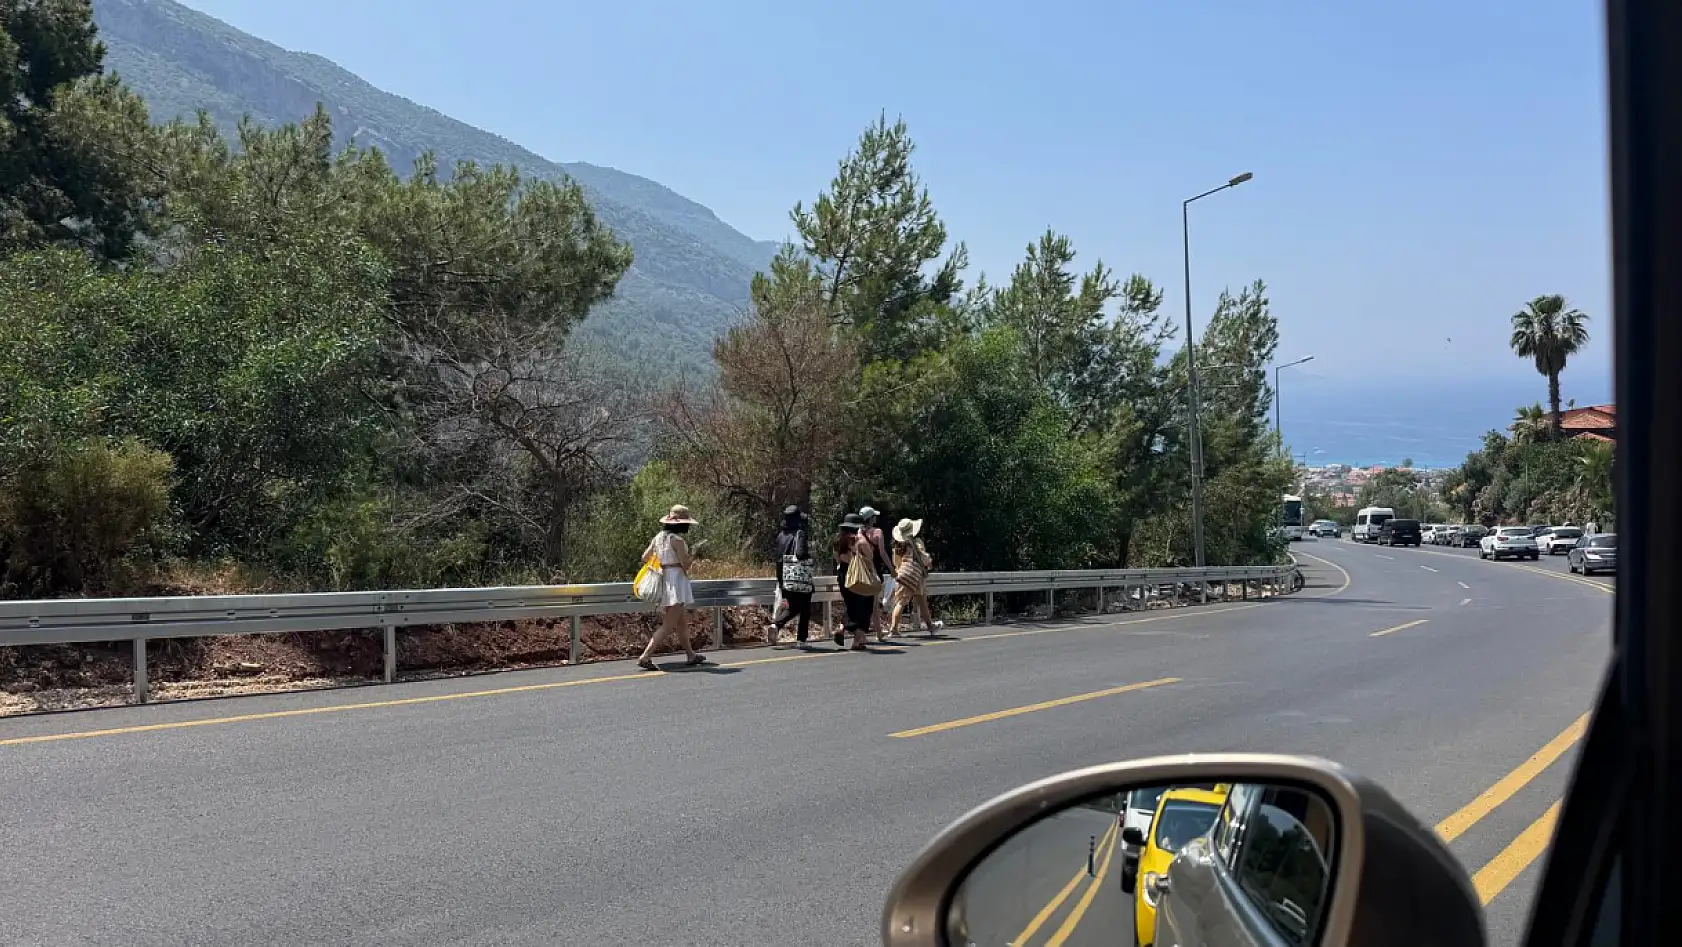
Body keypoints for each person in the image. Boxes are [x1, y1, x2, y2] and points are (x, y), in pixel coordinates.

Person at [636, 505, 707, 671]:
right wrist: (695, 553)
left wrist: (662, 559)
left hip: (665, 579)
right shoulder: (678, 541)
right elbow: (686, 565)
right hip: (677, 581)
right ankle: (645, 656)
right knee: (668, 625)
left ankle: (691, 655)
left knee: (681, 622)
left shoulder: (659, 537)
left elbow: (645, 557)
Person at [887, 517, 943, 636]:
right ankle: (930, 626)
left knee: (901, 601)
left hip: (903, 574)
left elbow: (896, 563)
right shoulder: (917, 542)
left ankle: (894, 628)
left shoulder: (896, 546)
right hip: (916, 575)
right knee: (922, 600)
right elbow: (923, 558)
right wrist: (929, 562)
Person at [767, 506, 814, 645]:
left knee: (795, 606)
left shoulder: (780, 535)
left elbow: (777, 558)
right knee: (803, 606)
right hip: (799, 576)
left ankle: (778, 626)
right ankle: (799, 637)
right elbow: (800, 554)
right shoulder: (799, 533)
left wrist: (780, 581)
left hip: (784, 577)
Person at [831, 513, 876, 651]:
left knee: (852, 606)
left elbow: (837, 559)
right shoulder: (859, 541)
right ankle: (859, 637)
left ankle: (849, 633)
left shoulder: (837, 541)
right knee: (865, 605)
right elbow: (870, 556)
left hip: (844, 575)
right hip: (858, 576)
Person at [859, 506, 894, 640]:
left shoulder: (858, 533)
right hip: (874, 570)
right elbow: (883, 553)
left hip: (862, 571)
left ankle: (864, 632)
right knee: (873, 605)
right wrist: (891, 568)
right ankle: (878, 634)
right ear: (871, 519)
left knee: (862, 603)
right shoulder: (877, 532)